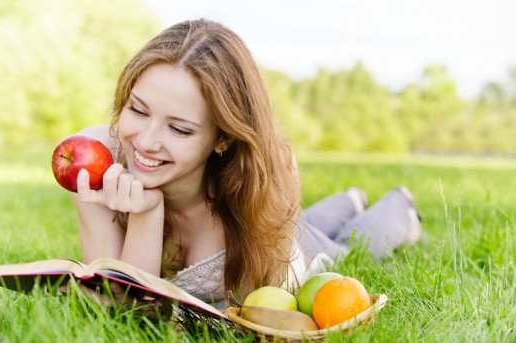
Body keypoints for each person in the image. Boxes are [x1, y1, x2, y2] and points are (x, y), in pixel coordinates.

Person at [72, 18, 422, 309]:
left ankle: (401, 206)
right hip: (286, 221)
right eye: (137, 109)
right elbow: (126, 303)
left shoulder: (267, 171)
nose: (145, 142)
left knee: (349, 245)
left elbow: (250, 309)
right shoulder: (96, 158)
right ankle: (351, 199)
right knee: (313, 221)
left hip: (288, 255)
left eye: (179, 128)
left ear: (223, 137)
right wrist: (146, 214)